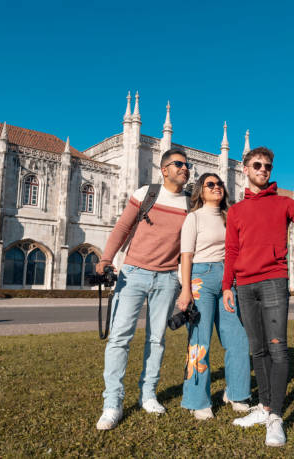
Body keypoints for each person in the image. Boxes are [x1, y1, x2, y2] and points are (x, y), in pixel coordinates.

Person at [222, 146, 294, 447]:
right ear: (246, 170)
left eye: (267, 166)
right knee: (258, 350)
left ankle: (276, 417)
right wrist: (228, 285)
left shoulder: (284, 203)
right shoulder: (236, 211)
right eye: (257, 165)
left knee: (277, 349)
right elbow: (232, 251)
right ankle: (264, 408)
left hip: (273, 281)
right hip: (245, 285)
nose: (263, 170)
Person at [95, 148, 191, 431]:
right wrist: (105, 259)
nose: (185, 169)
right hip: (133, 273)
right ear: (164, 169)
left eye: (187, 165)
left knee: (157, 339)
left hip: (167, 279)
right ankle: (112, 402)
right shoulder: (146, 193)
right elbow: (122, 227)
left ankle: (148, 394)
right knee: (119, 338)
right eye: (179, 164)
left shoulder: (190, 203)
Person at [177, 173, 251, 420]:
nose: (217, 187)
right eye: (210, 184)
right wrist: (186, 289)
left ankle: (237, 393)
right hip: (201, 276)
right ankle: (197, 400)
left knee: (238, 338)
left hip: (227, 279)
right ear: (200, 190)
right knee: (200, 339)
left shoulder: (230, 217)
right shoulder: (193, 218)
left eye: (219, 184)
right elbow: (186, 255)